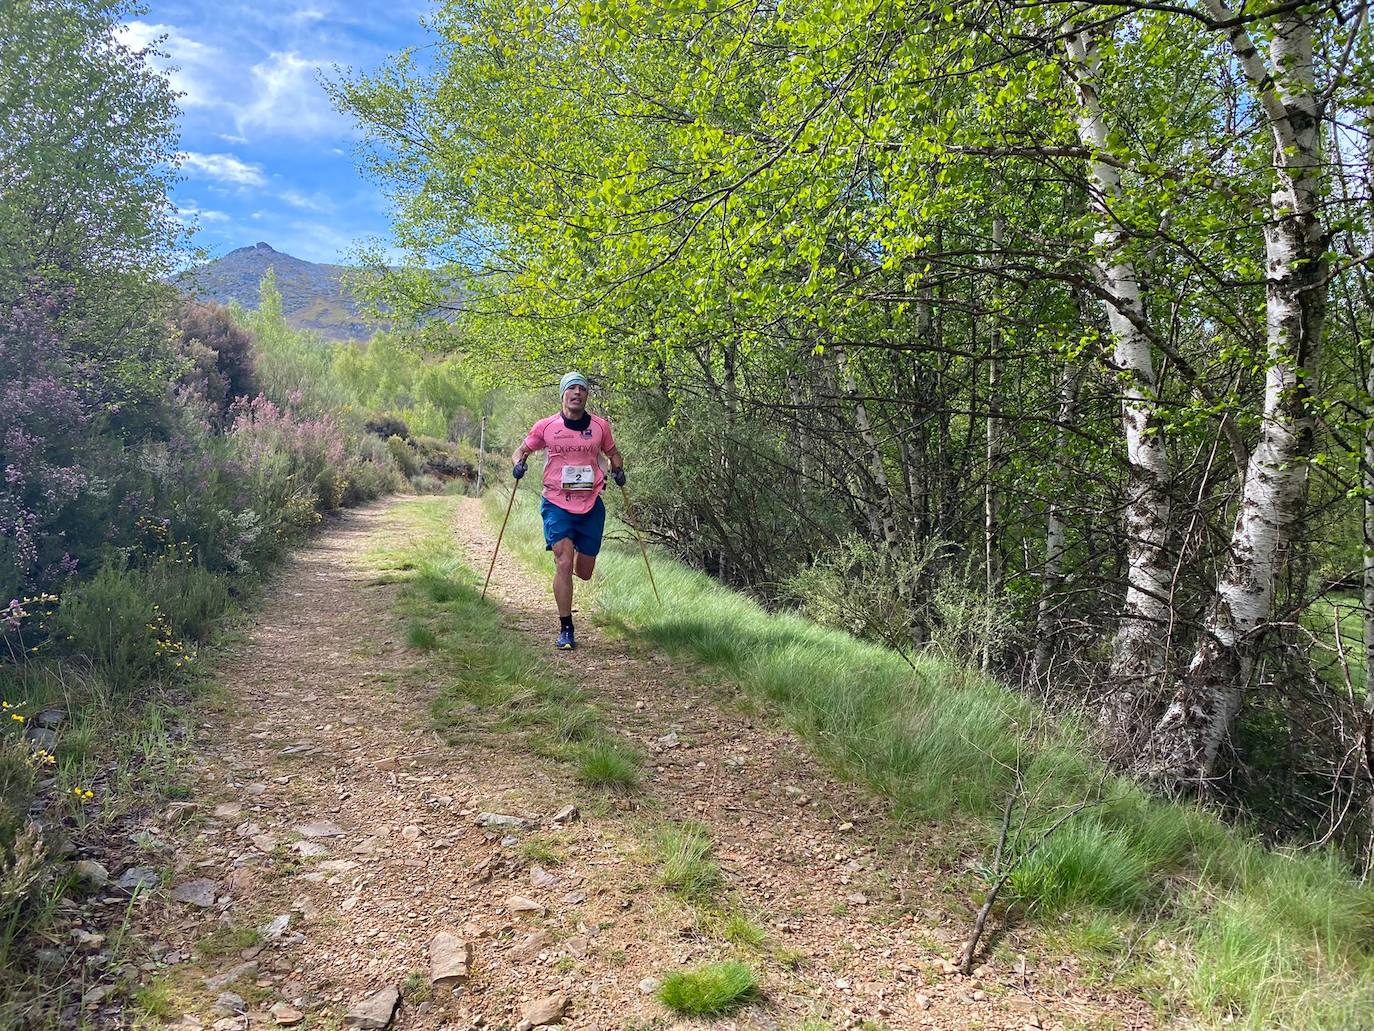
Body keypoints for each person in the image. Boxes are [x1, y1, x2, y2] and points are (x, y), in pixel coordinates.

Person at [511, 371, 625, 650]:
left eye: (582, 389)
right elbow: (520, 451)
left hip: (590, 504)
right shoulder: (546, 427)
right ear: (562, 395)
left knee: (584, 571)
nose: (577, 393)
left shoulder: (600, 427)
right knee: (563, 561)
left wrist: (619, 469)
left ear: (587, 395)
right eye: (571, 389)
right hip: (556, 502)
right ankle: (566, 627)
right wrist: (518, 464)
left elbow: (613, 454)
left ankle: (574, 565)